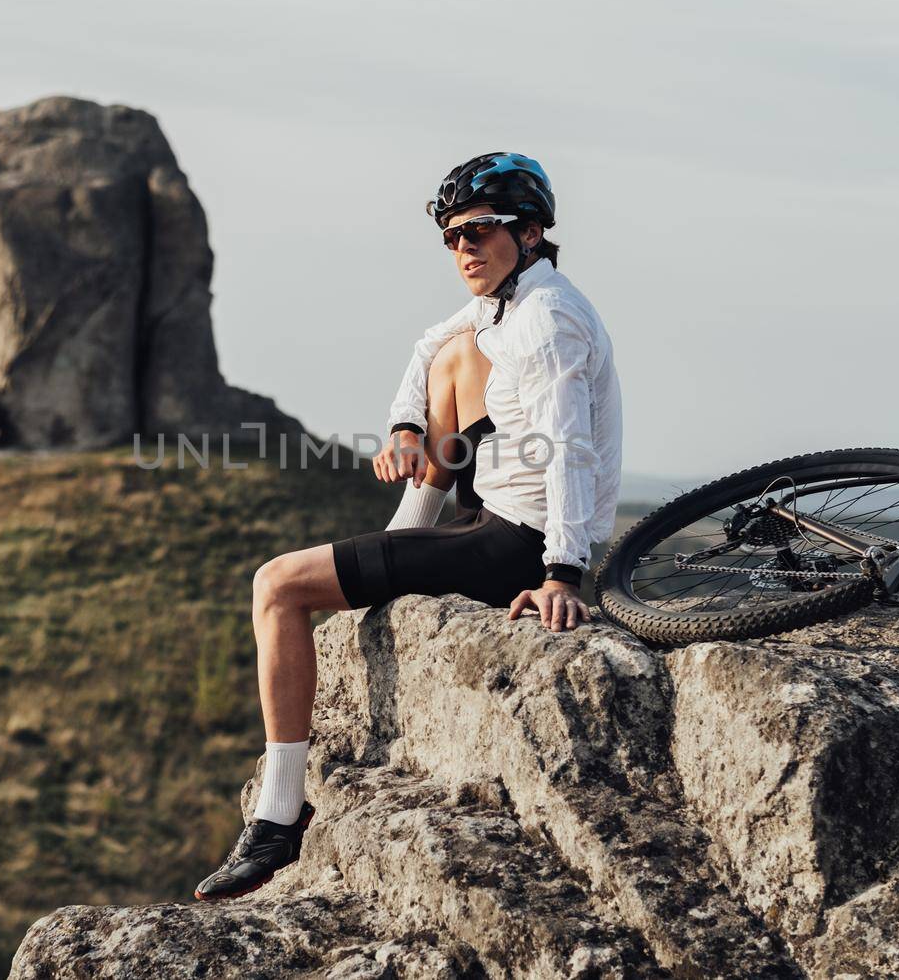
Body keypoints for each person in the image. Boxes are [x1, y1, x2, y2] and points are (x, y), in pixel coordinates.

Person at [193, 152, 623, 901]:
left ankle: (278, 813)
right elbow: (429, 346)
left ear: (528, 233)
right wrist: (402, 425)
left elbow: (570, 449)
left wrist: (562, 572)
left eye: (479, 232)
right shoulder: (510, 302)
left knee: (277, 587)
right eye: (453, 236)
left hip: (518, 541)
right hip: (486, 510)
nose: (463, 249)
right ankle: (405, 531)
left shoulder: (548, 320)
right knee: (456, 355)